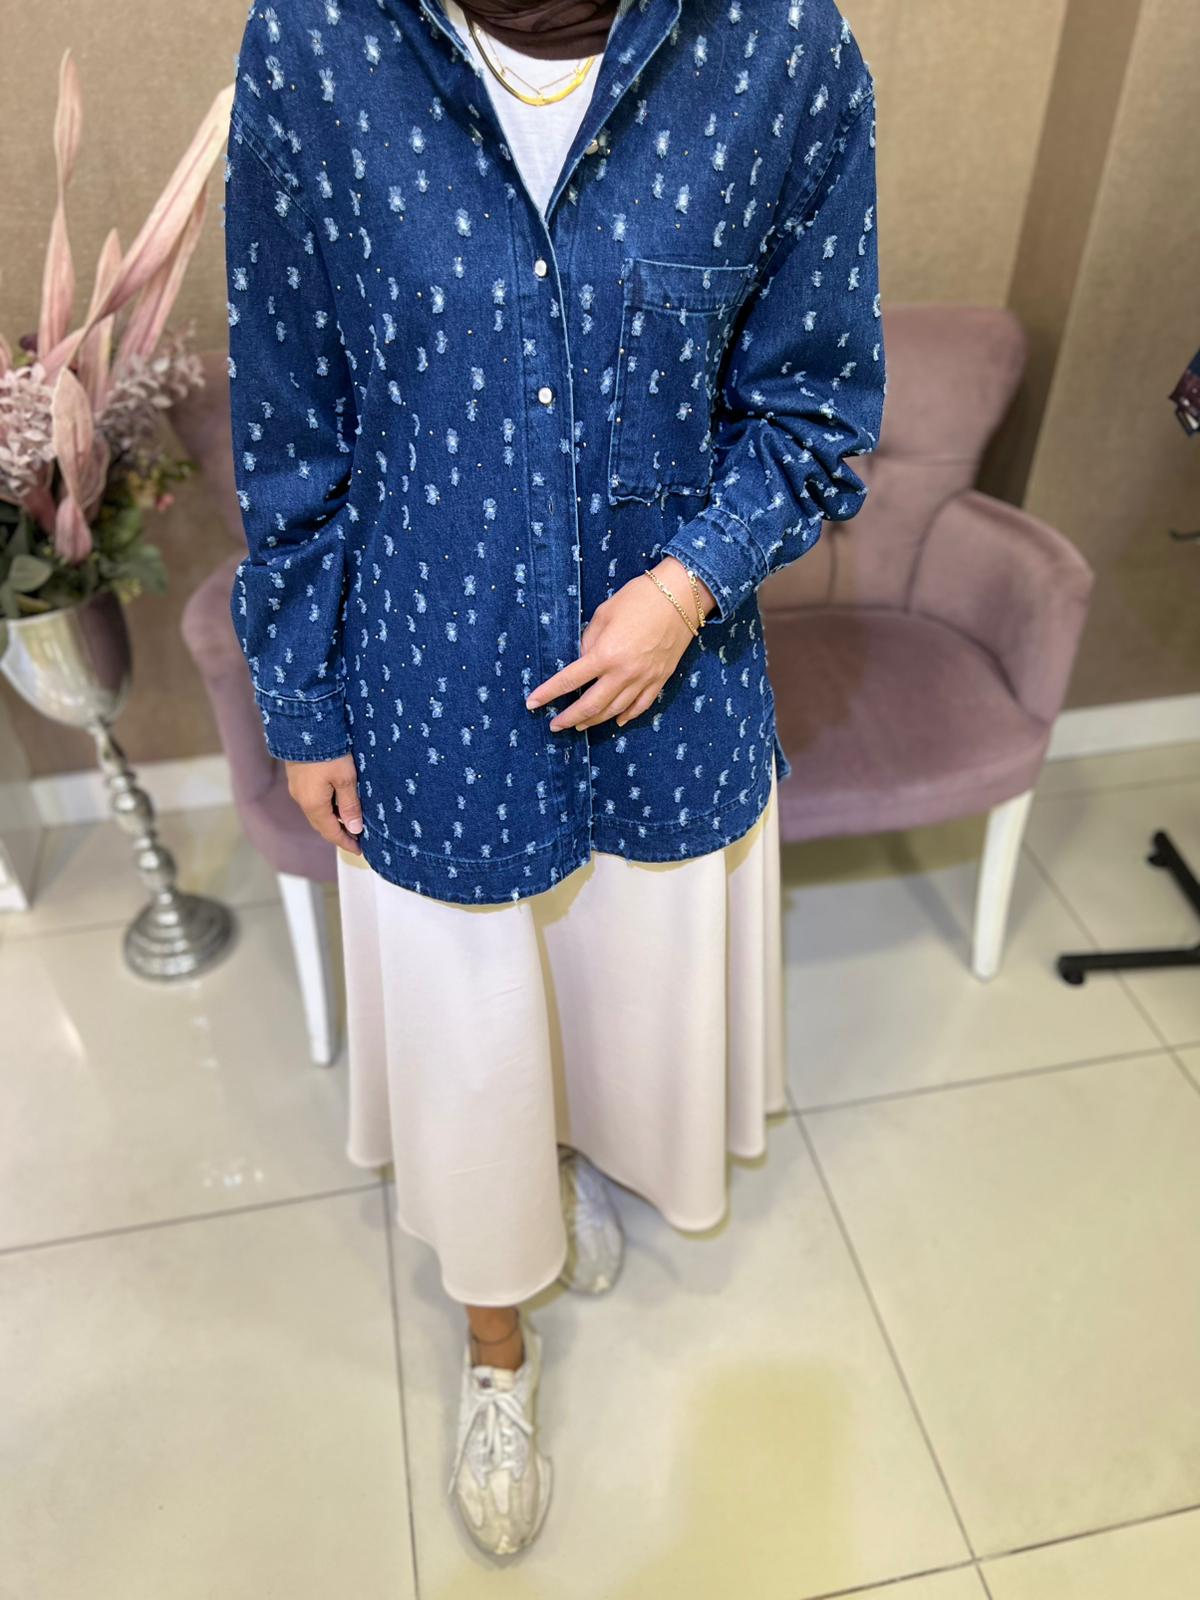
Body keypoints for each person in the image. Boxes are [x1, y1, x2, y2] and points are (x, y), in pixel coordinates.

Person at [223, 0, 884, 1559]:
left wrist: (686, 587)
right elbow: (293, 415)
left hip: (675, 697)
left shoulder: (783, 49)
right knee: (470, 1040)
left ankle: (576, 1157)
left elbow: (817, 408)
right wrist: (302, 700)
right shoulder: (316, 45)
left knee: (608, 1000)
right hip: (428, 695)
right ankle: (494, 1348)